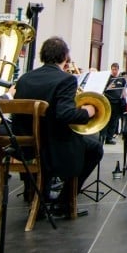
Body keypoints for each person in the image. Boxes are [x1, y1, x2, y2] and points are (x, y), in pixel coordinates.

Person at [13, 37, 103, 218]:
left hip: (24, 146)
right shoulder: (66, 80)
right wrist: (88, 112)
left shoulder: (24, 78)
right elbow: (65, 115)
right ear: (64, 57)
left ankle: (40, 196)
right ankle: (65, 201)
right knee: (95, 148)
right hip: (52, 147)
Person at [103, 63, 126, 145]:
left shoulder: (121, 79)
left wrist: (124, 99)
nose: (114, 71)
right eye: (113, 69)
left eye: (115, 69)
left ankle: (109, 138)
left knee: (114, 121)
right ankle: (103, 137)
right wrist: (108, 87)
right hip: (108, 101)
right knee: (106, 120)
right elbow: (103, 89)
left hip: (117, 102)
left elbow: (123, 90)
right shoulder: (108, 78)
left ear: (118, 69)